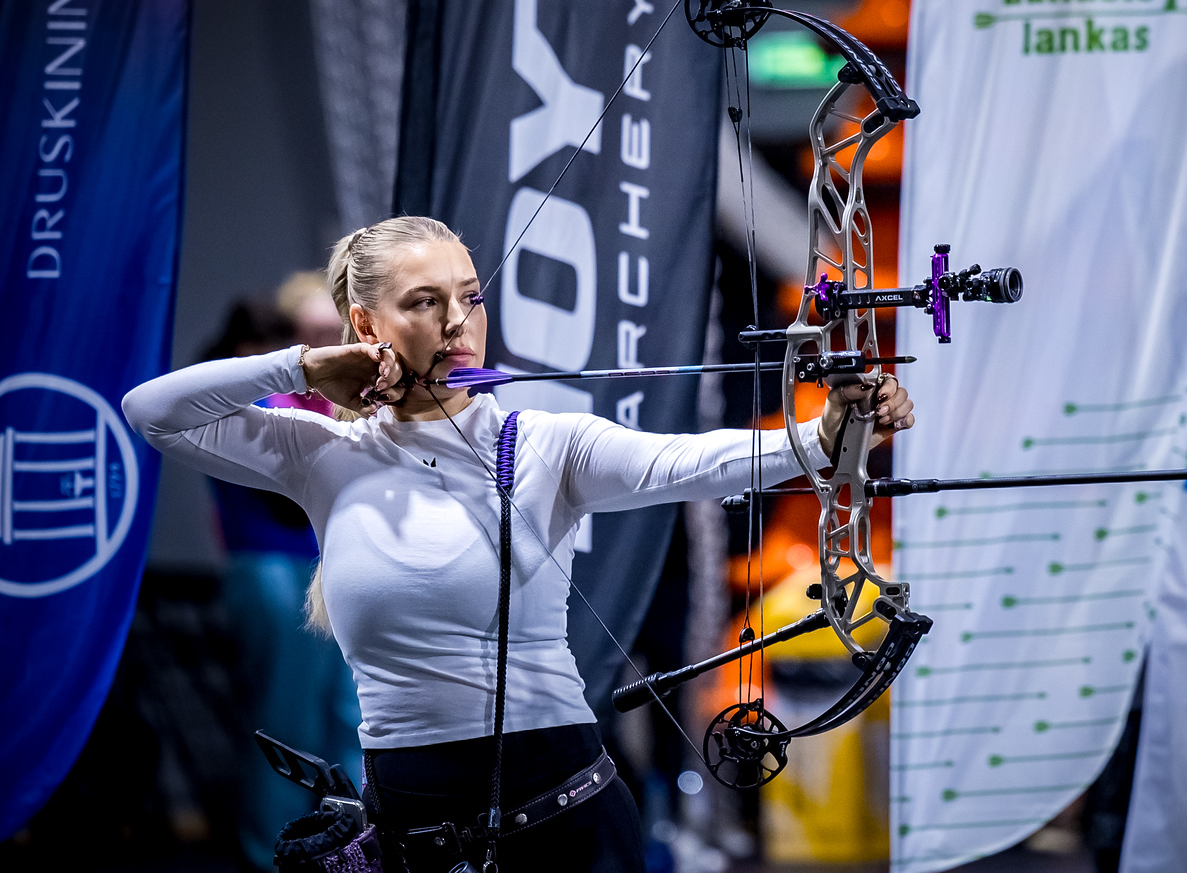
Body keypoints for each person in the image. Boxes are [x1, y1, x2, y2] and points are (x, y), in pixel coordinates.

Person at [122, 215, 914, 872]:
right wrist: (302, 363)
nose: (457, 323)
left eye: (469, 297)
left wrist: (828, 431)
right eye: (425, 302)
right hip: (411, 836)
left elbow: (696, 459)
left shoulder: (542, 444)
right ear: (367, 326)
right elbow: (150, 410)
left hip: (564, 824)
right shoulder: (322, 452)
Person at [199, 291, 364, 871]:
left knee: (348, 715)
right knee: (286, 719)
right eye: (312, 334)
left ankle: (355, 847)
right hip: (272, 569)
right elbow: (289, 499)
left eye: (333, 332)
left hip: (323, 568)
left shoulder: (317, 404)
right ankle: (273, 854)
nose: (327, 344)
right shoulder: (254, 400)